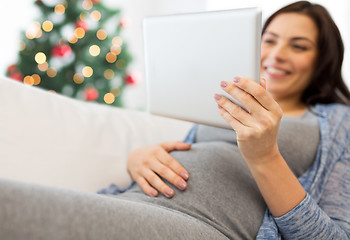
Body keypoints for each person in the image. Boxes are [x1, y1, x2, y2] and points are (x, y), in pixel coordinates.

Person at [0, 1, 349, 239]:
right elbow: (190, 152)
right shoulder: (227, 101)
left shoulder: (340, 124)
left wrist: (265, 156)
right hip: (131, 201)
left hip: (198, 224)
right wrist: (138, 159)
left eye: (299, 46)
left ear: (323, 60)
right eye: (269, 39)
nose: (276, 54)